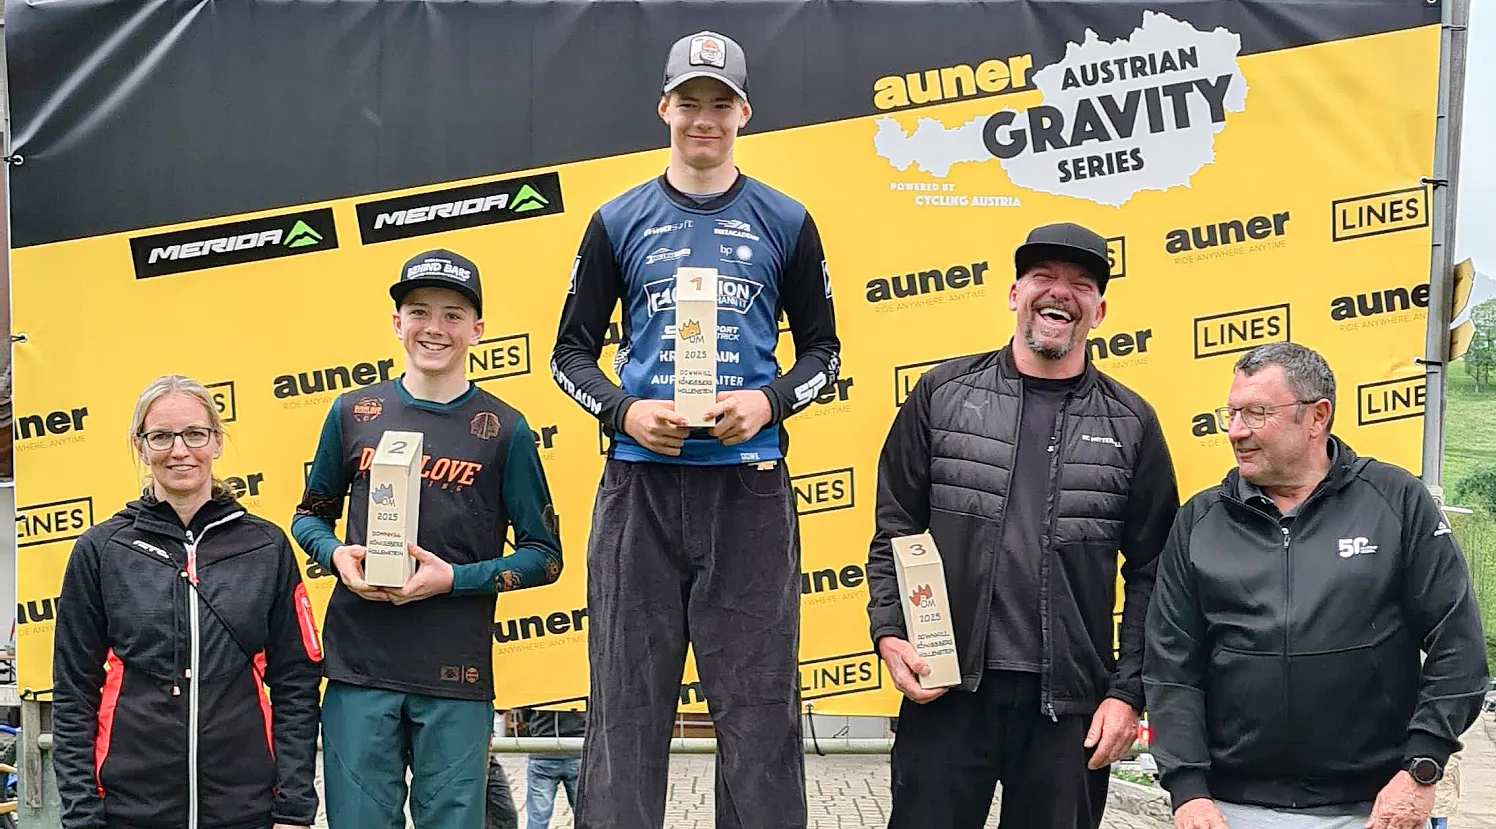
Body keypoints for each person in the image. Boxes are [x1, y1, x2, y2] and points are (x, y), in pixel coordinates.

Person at [549, 29, 840, 829]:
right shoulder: (618, 219)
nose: (702, 119)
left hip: (748, 486)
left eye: (719, 104)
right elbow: (568, 354)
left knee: (758, 710)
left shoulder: (787, 219)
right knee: (624, 707)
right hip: (639, 483)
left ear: (744, 112)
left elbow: (825, 351)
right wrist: (624, 410)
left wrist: (771, 401)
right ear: (664, 108)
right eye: (689, 103)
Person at [865, 222, 1180, 829]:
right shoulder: (941, 395)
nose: (1059, 292)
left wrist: (1126, 694)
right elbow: (895, 531)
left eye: (1080, 283)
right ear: (1015, 294)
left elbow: (1154, 573)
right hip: (947, 690)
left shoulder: (1132, 422)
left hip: (1071, 706)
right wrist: (890, 633)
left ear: (1100, 309)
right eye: (1043, 277)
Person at [1143, 342, 1489, 829]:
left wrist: (1420, 770)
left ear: (1316, 416)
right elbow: (1170, 667)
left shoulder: (1395, 501)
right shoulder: (1200, 520)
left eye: (1256, 413)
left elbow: (1459, 649)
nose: (1236, 431)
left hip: (1376, 808)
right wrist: (1187, 790)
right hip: (1228, 810)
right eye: (1232, 413)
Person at [293, 249, 564, 829]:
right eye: (419, 311)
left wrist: (454, 580)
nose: (434, 328)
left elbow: (545, 557)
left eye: (453, 314)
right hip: (358, 668)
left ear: (477, 330)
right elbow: (308, 517)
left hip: (454, 672)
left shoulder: (506, 430)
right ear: (397, 323)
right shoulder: (352, 413)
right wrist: (335, 554)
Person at [52, 374, 323, 829]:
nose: (180, 451)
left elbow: (296, 684)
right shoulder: (102, 550)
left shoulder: (266, 546)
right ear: (141, 446)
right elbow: (74, 691)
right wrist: (82, 814)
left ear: (217, 442)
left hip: (246, 807)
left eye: (195, 434)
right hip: (130, 810)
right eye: (161, 436)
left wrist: (294, 808)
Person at [515, 707, 585, 829]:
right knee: (585, 813)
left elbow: (525, 714)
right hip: (578, 748)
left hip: (542, 750)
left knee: (538, 817)